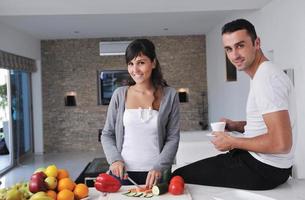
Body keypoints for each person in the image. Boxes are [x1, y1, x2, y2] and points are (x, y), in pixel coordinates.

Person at [172, 19, 296, 190]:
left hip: (262, 168)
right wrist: (238, 126)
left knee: (177, 176)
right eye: (229, 49)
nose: (234, 55)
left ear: (256, 43)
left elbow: (282, 143)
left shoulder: (266, 79)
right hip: (272, 166)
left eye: (240, 45)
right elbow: (270, 127)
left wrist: (232, 142)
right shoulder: (265, 74)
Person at [101, 39, 180, 189]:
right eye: (131, 64)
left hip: (156, 174)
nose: (135, 69)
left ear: (153, 63)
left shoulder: (170, 95)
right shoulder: (119, 94)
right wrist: (115, 160)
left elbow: (173, 137)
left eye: (141, 63)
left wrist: (159, 167)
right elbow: (107, 134)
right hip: (122, 174)